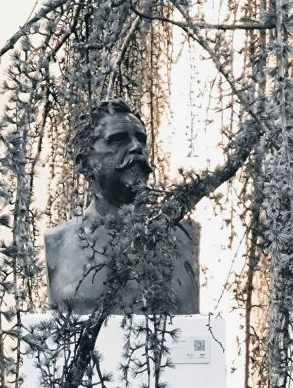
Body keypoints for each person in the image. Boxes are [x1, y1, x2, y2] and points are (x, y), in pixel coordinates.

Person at [44, 98, 199, 314]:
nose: (136, 147)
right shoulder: (57, 243)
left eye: (141, 140)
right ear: (84, 163)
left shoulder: (182, 237)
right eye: (117, 140)